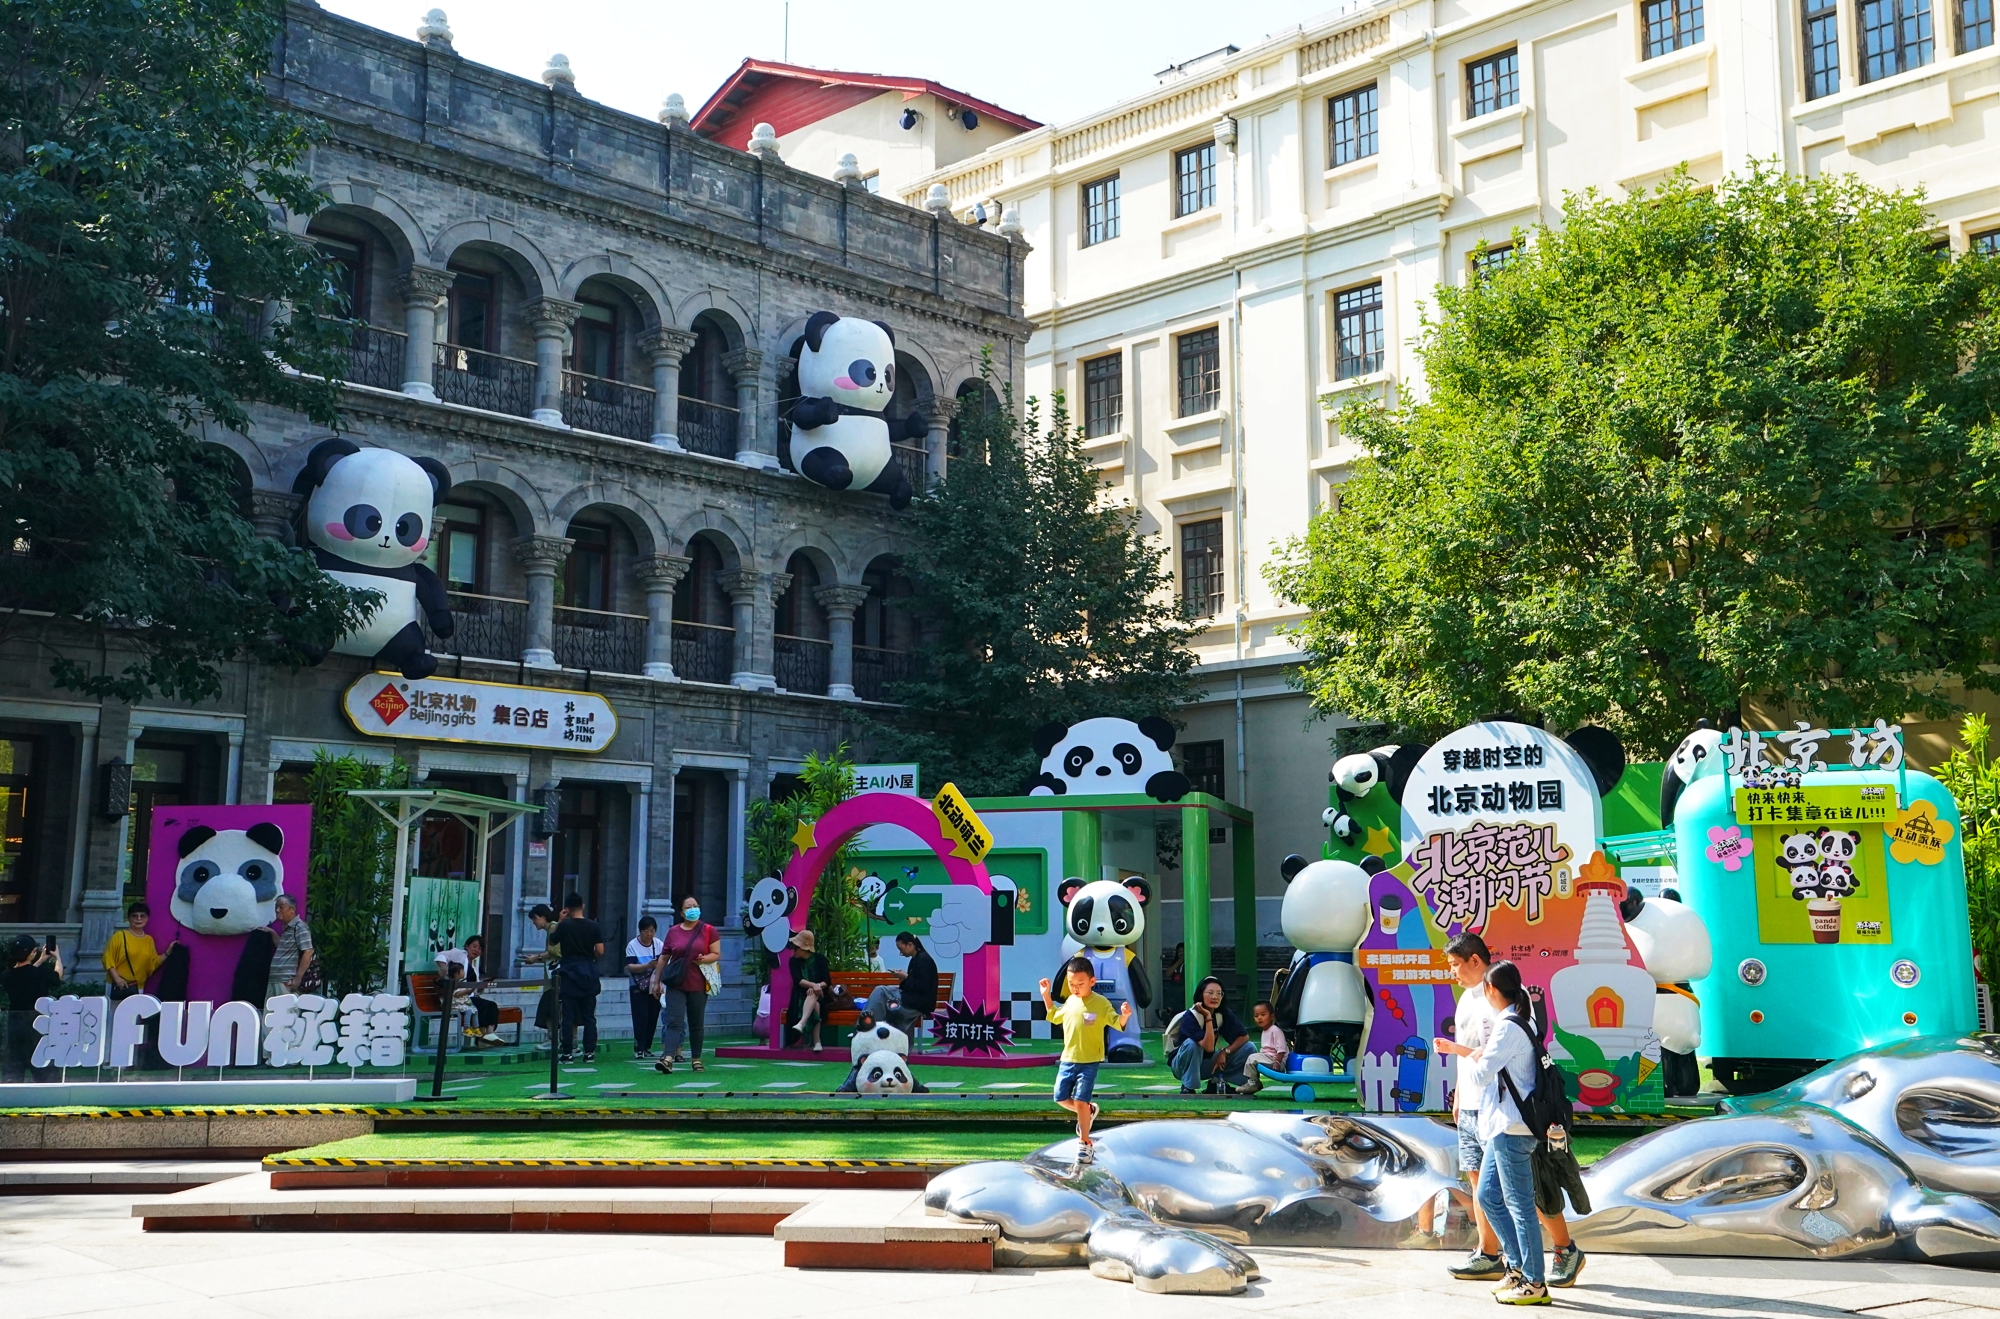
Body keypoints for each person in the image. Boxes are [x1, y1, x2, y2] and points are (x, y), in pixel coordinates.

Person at [1434, 933, 1585, 1291]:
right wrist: (1460, 1093)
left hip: (1510, 1115)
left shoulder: (1507, 1009)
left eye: (1456, 964)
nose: (1453, 972)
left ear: (1476, 962)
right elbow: (1477, 1058)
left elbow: (1488, 1061)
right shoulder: (1469, 999)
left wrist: (1460, 1053)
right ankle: (1493, 1255)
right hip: (1478, 1109)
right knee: (1484, 1188)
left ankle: (1557, 1253)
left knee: (1525, 1193)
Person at [1449, 959, 1550, 1306]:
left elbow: (1480, 1076)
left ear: (1492, 990)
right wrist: (1483, 1054)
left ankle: (1535, 1282)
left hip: (1512, 1126)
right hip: (1503, 1126)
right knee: (1489, 1196)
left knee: (1519, 1205)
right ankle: (1517, 1268)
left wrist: (1474, 1055)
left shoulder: (1508, 1026)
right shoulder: (1519, 1020)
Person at [1041, 956, 1130, 1156]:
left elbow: (1117, 1022)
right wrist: (1046, 995)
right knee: (1060, 1098)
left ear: (1092, 981)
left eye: (1080, 984)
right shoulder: (1070, 1001)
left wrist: (1125, 1015)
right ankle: (1088, 1111)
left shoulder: (1100, 1003)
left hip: (1089, 1061)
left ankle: (1085, 1142)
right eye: (1071, 984)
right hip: (1068, 1059)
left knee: (1081, 1101)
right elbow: (1054, 1016)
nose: (1075, 988)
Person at [653, 895, 719, 1073]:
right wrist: (656, 981)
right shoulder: (673, 932)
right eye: (688, 907)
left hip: (699, 983)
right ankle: (668, 1058)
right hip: (676, 983)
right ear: (682, 913)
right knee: (674, 1021)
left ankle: (696, 1059)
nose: (693, 909)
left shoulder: (708, 930)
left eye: (695, 906)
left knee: (696, 1023)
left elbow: (716, 953)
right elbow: (664, 957)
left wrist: (704, 959)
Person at [1165, 974, 1252, 1095]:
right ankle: (1188, 1086)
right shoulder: (1190, 1017)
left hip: (1206, 1064)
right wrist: (1208, 1017)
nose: (1215, 997)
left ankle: (1216, 1082)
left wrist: (1225, 1052)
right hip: (1181, 1066)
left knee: (1249, 1047)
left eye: (1219, 993)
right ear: (1201, 994)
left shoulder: (1223, 1013)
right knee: (1192, 1044)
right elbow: (1209, 1047)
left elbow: (1244, 1037)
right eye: (1210, 993)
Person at [550, 893, 604, 1063]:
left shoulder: (565, 926)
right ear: (583, 906)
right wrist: (591, 958)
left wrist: (560, 921)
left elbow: (552, 941)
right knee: (589, 1016)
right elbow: (600, 950)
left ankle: (567, 1052)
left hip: (569, 971)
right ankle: (589, 1052)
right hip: (588, 971)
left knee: (568, 1015)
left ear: (566, 909)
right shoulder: (593, 925)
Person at [2, 935, 62, 1082]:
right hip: (37, 1022)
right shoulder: (40, 973)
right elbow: (57, 977)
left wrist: (40, 960)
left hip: (14, 1023)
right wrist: (57, 957)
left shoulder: (6, 975)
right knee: (42, 1062)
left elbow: (24, 974)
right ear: (32, 952)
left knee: (14, 1062)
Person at [864, 932, 938, 1037]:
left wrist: (906, 977)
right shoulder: (916, 959)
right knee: (880, 992)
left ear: (910, 945)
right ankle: (872, 1028)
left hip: (919, 1004)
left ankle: (867, 1028)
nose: (901, 953)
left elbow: (923, 987)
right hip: (912, 998)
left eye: (901, 949)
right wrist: (903, 978)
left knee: (880, 991)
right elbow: (911, 985)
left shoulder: (923, 960)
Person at [438, 937, 504, 1046]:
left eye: (480, 948)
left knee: (490, 1005)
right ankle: (486, 1036)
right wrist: (443, 968)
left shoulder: (474, 968)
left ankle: (487, 1034)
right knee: (487, 1005)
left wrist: (484, 984)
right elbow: (440, 955)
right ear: (466, 946)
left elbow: (476, 991)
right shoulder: (459, 954)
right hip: (459, 999)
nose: (476, 950)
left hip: (469, 997)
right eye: (474, 946)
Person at [103, 902, 164, 998]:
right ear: (129, 918)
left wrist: (168, 952)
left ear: (147, 918)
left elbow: (152, 964)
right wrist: (117, 978)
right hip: (119, 986)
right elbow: (108, 959)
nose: (139, 919)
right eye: (134, 916)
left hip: (138, 987)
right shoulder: (119, 936)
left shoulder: (149, 940)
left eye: (142, 916)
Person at [625, 916, 665, 1058]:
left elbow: (664, 963)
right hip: (637, 985)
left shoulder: (658, 944)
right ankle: (639, 1047)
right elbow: (630, 966)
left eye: (652, 931)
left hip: (654, 984)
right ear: (640, 931)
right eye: (646, 931)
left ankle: (647, 1046)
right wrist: (647, 965)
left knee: (653, 1016)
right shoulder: (632, 945)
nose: (649, 934)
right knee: (640, 1016)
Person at [784, 929, 830, 1051]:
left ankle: (801, 1023)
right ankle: (817, 1042)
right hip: (801, 994)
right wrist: (813, 986)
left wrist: (816, 986)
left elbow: (827, 980)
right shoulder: (793, 961)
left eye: (796, 947)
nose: (794, 950)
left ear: (804, 948)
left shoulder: (820, 959)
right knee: (816, 1005)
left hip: (821, 993)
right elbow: (798, 980)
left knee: (815, 996)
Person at [522, 903, 560, 1046]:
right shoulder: (552, 929)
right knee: (549, 1007)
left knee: (549, 1007)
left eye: (535, 919)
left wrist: (536, 957)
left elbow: (555, 951)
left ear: (543, 917)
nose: (534, 922)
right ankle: (552, 1038)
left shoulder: (554, 928)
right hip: (552, 974)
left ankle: (552, 1039)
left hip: (555, 975)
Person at [1234, 999, 1289, 1096]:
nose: (1259, 1018)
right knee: (1253, 1057)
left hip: (1276, 1060)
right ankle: (1254, 1082)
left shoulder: (1275, 1030)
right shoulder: (1265, 1031)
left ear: (1272, 1016)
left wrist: (1277, 1062)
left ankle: (1252, 1083)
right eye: (1256, 1016)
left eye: (1263, 1015)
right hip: (1270, 1058)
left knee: (1252, 1058)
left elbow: (1282, 1049)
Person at [266, 894, 314, 1003]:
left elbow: (308, 951)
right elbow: (282, 947)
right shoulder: (288, 928)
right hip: (277, 980)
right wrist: (272, 932)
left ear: (292, 909)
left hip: (286, 981)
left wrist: (298, 979)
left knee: (285, 1011)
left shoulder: (299, 927)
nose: (277, 910)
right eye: (276, 907)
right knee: (272, 1012)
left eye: (281, 907)